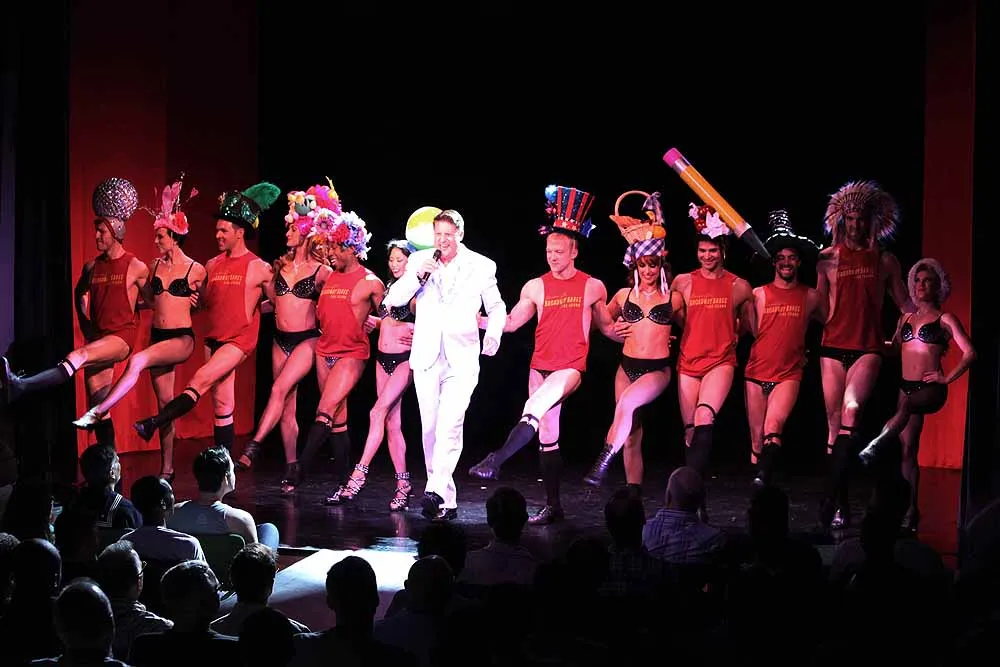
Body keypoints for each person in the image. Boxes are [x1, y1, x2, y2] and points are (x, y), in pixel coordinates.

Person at [468, 185, 619, 525]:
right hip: (540, 366)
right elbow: (510, 323)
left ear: (574, 251)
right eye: (549, 250)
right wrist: (479, 320)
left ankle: (495, 460)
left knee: (533, 409)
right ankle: (554, 506)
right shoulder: (535, 286)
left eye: (559, 251)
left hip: (570, 367)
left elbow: (607, 327)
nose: (552, 256)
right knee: (547, 437)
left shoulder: (592, 286)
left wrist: (637, 334)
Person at [73, 177, 205, 481]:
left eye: (160, 236)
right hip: (159, 336)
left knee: (138, 360)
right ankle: (167, 469)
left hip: (181, 337)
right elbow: (148, 301)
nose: (155, 241)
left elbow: (203, 304)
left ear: (175, 236)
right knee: (165, 404)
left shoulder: (195, 269)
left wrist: (195, 304)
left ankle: (100, 411)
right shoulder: (153, 267)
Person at [2, 177, 149, 449]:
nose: (96, 236)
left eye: (101, 231)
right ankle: (110, 469)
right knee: (98, 406)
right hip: (100, 337)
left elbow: (151, 300)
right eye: (96, 231)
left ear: (116, 230)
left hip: (121, 339)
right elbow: (79, 293)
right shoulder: (91, 267)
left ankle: (20, 386)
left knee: (78, 355)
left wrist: (138, 305)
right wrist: (85, 323)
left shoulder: (136, 266)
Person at [133, 182, 279, 451]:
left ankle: (153, 423)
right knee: (222, 404)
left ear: (240, 232)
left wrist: (256, 310)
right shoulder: (212, 264)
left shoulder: (259, 267)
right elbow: (207, 304)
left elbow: (278, 304)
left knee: (199, 380)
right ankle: (225, 464)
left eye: (224, 230)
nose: (218, 235)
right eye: (217, 230)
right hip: (214, 340)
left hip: (238, 341)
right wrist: (194, 303)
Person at [382, 209, 506, 521]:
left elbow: (496, 306)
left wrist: (493, 335)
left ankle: (434, 489)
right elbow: (394, 299)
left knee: (450, 422)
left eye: (448, 235)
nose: (442, 240)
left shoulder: (481, 265)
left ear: (459, 235)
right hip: (427, 355)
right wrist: (417, 276)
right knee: (431, 429)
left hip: (461, 357)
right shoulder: (418, 261)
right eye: (438, 235)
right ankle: (444, 501)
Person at [815, 180, 912, 530]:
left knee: (851, 411)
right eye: (851, 219)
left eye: (861, 219)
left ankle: (828, 498)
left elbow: (905, 304)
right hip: (832, 346)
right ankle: (840, 504)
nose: (855, 225)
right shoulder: (827, 259)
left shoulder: (885, 260)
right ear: (842, 220)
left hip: (868, 348)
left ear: (872, 222)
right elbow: (819, 305)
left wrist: (913, 329)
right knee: (833, 426)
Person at [859, 258, 975, 530]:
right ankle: (911, 511)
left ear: (938, 286)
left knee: (907, 406)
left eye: (928, 281)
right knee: (908, 451)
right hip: (905, 387)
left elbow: (970, 352)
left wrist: (946, 377)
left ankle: (876, 444)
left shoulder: (945, 319)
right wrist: (874, 340)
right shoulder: (906, 319)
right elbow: (893, 349)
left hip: (930, 390)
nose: (921, 285)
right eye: (918, 281)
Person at [235, 183, 337, 485]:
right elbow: (274, 304)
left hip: (307, 339)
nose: (287, 233)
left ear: (305, 232)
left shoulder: (321, 272)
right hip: (280, 340)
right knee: (286, 406)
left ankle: (253, 446)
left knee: (278, 389)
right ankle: (292, 467)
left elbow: (338, 303)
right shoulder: (279, 268)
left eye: (292, 228)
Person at [290, 211, 384, 502]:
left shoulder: (371, 282)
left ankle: (299, 470)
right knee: (337, 421)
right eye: (328, 247)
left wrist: (377, 323)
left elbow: (390, 319)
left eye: (335, 248)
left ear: (351, 248)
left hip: (351, 354)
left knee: (324, 410)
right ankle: (344, 484)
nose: (330, 253)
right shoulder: (329, 277)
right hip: (324, 352)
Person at [584, 190, 674, 490]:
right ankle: (633, 492)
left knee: (627, 403)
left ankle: (603, 460)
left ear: (661, 266)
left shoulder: (673, 297)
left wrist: (671, 335)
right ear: (634, 266)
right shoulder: (623, 296)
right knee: (633, 434)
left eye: (653, 265)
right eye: (642, 265)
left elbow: (692, 327)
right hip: (627, 367)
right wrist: (608, 328)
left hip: (656, 370)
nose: (648, 271)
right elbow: (599, 323)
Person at [671, 203, 753, 510]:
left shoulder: (739, 286)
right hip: (688, 362)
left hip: (721, 362)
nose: (707, 256)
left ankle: (686, 502)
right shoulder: (683, 281)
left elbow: (749, 324)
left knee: (705, 417)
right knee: (690, 434)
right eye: (702, 251)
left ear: (723, 251)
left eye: (713, 251)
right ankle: (696, 503)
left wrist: (732, 333)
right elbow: (676, 316)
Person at [327, 239, 416, 510]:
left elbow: (429, 322)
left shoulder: (417, 291)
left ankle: (358, 474)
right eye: (391, 259)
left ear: (412, 261)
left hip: (404, 361)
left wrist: (421, 335)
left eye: (400, 260)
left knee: (377, 413)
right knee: (391, 423)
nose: (394, 264)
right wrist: (375, 322)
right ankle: (403, 485)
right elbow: (389, 320)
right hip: (382, 359)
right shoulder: (390, 288)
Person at [743, 210, 826, 487]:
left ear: (799, 262)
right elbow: (743, 328)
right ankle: (760, 494)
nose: (786, 262)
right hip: (755, 373)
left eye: (791, 258)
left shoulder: (811, 296)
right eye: (781, 258)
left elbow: (833, 323)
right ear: (774, 262)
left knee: (773, 429)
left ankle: (763, 480)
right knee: (756, 441)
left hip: (788, 374)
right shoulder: (758, 294)